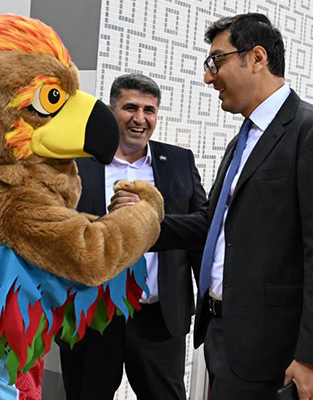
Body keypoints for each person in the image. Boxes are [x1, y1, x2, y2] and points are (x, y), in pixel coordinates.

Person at [139, 13, 313, 400]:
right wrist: (137, 227)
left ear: (256, 58)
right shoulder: (243, 140)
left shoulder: (312, 131)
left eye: (216, 61)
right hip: (225, 337)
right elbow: (211, 224)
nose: (208, 77)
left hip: (275, 349)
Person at [57, 73, 207, 400]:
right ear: (112, 111)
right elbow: (55, 233)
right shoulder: (76, 163)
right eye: (130, 108)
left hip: (159, 319)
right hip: (91, 314)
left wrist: (211, 303)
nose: (140, 118)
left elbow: (200, 233)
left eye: (149, 110)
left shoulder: (179, 161)